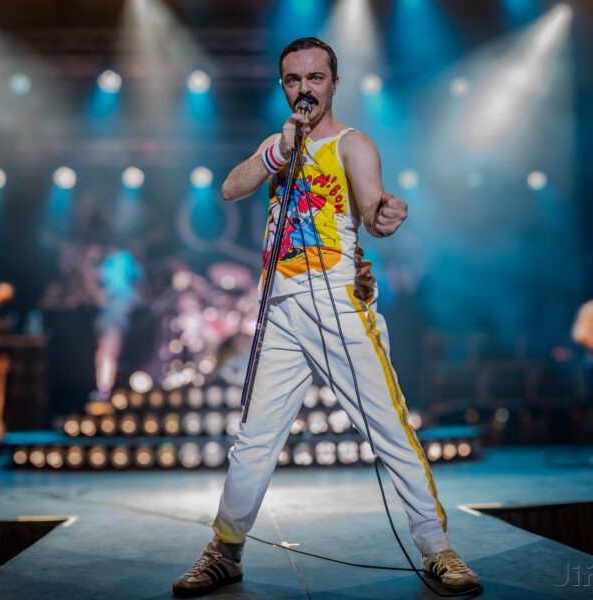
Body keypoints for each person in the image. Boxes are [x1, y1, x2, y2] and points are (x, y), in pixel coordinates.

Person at [172, 37, 481, 597]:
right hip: (281, 310)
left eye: (315, 78)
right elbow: (230, 188)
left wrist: (383, 216)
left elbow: (372, 208)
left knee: (388, 429)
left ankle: (439, 549)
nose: (305, 89)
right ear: (283, 86)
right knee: (254, 438)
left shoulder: (352, 144)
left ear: (334, 84)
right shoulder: (279, 144)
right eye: (294, 79)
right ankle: (225, 551)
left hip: (338, 305)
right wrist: (278, 150)